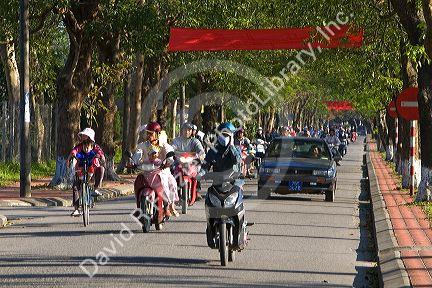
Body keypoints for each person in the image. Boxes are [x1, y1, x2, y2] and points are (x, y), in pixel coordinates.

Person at [133, 122, 179, 217]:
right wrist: (134, 161)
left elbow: (170, 152)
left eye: (151, 133)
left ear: (158, 134)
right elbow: (138, 153)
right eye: (148, 133)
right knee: (137, 182)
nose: (149, 136)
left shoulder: (163, 145)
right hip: (146, 172)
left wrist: (168, 161)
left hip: (162, 171)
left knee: (172, 183)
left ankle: (168, 206)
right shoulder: (143, 145)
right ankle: (139, 205)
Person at [67, 128, 105, 216]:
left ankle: (95, 189)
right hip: (81, 168)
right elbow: (74, 151)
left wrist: (101, 157)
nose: (83, 137)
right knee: (76, 186)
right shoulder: (79, 146)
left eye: (85, 135)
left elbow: (101, 153)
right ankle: (76, 209)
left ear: (90, 137)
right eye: (83, 135)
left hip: (92, 168)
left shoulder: (95, 146)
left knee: (101, 169)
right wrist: (70, 158)